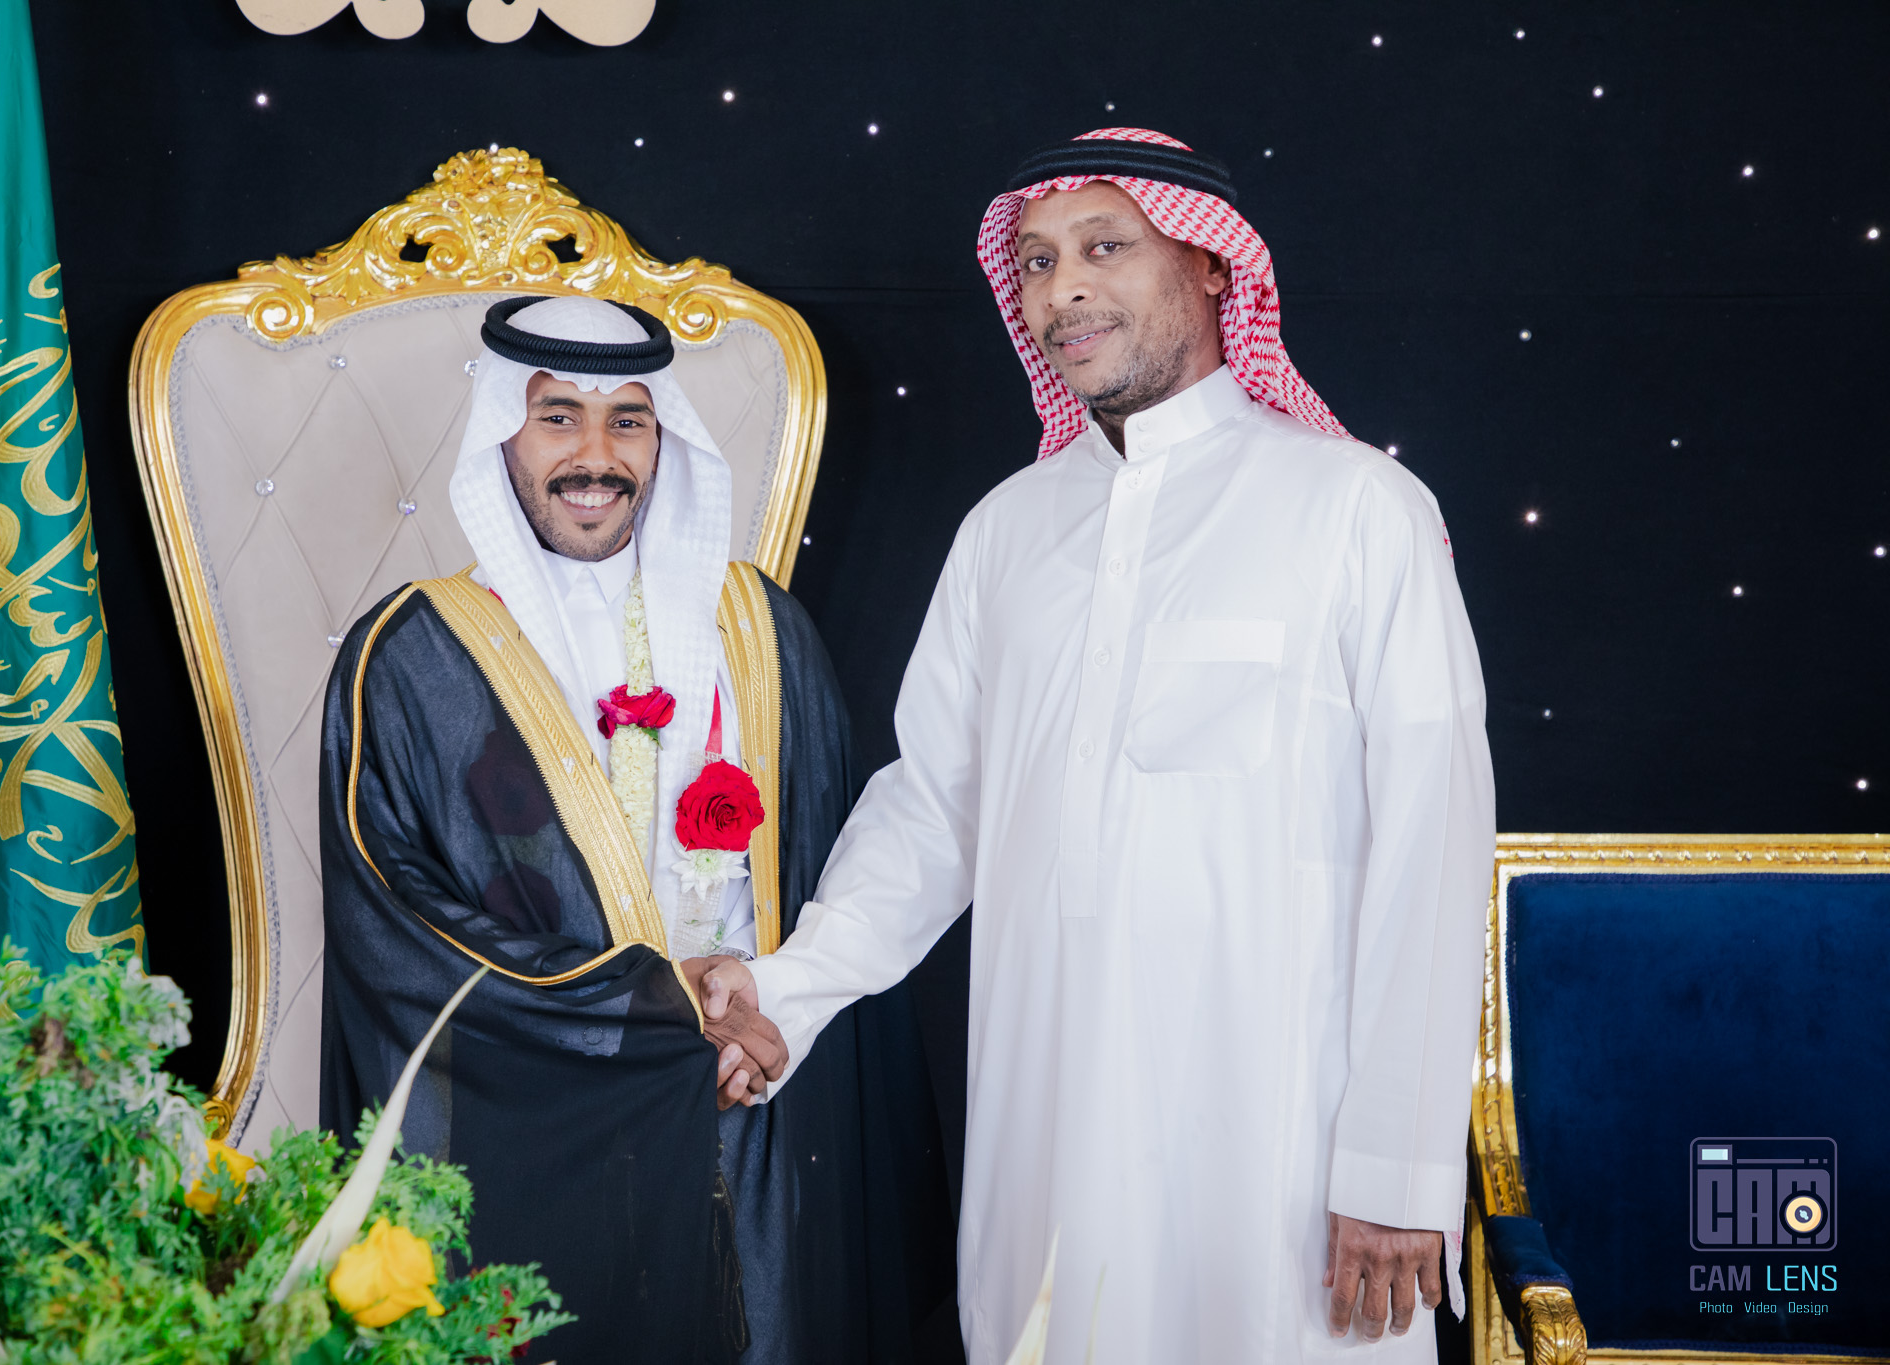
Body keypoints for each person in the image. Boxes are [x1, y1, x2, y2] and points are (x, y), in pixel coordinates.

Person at [702, 129, 1496, 1363]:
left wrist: (1394, 1169)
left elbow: (1429, 846)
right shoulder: (1008, 529)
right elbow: (935, 809)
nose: (1060, 289)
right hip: (1046, 1130)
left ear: (1212, 268)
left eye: (1103, 248)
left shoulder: (1356, 508)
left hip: (1283, 1155)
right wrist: (788, 992)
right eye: (1034, 261)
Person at [317, 295, 953, 1364]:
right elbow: (396, 922)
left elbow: (825, 868)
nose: (595, 456)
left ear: (663, 438)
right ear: (502, 433)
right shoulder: (412, 653)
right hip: (541, 1118)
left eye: (627, 421)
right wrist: (645, 1010)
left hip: (753, 1095)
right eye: (557, 417)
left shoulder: (762, 629)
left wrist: (765, 1013)